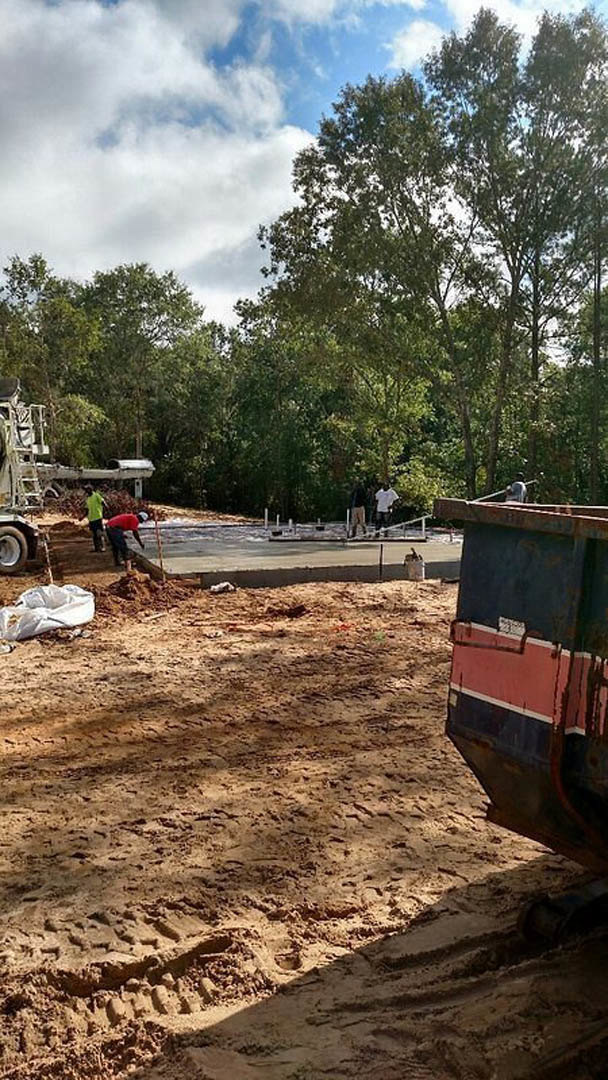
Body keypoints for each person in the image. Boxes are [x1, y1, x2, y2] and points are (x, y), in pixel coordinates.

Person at [79, 485, 106, 553]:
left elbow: (103, 503)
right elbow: (87, 510)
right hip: (91, 518)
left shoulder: (96, 495)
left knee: (99, 533)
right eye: (86, 490)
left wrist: (105, 512)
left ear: (91, 489)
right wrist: (83, 517)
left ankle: (102, 547)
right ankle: (96, 548)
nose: (86, 491)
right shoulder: (88, 499)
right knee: (94, 534)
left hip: (98, 517)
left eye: (87, 489)